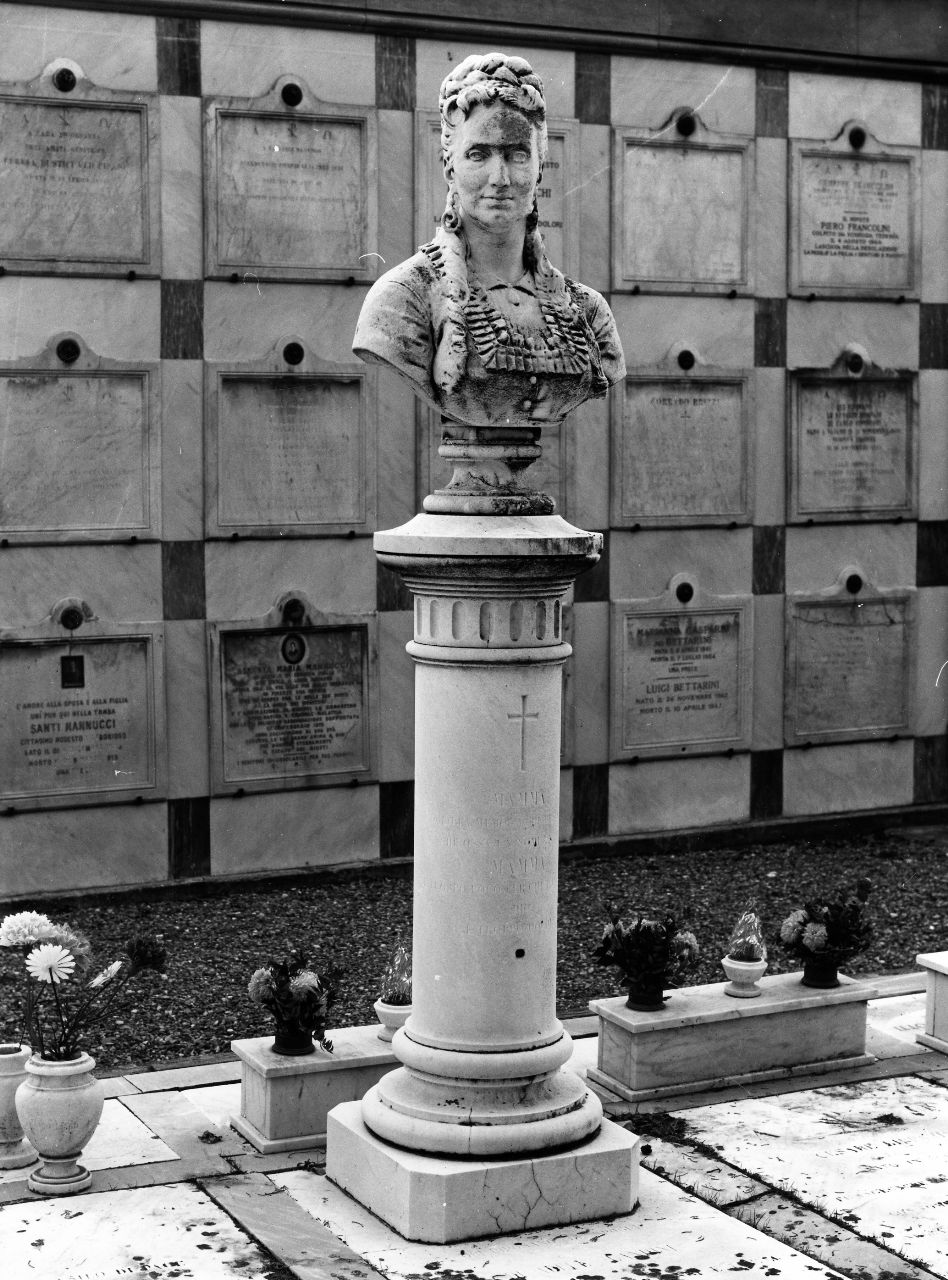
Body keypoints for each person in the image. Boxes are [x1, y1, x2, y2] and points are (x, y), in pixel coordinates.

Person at [353, 52, 625, 435]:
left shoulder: (590, 313)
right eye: (479, 155)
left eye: (517, 155)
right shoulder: (401, 301)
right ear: (450, 166)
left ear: (538, 167)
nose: (500, 178)